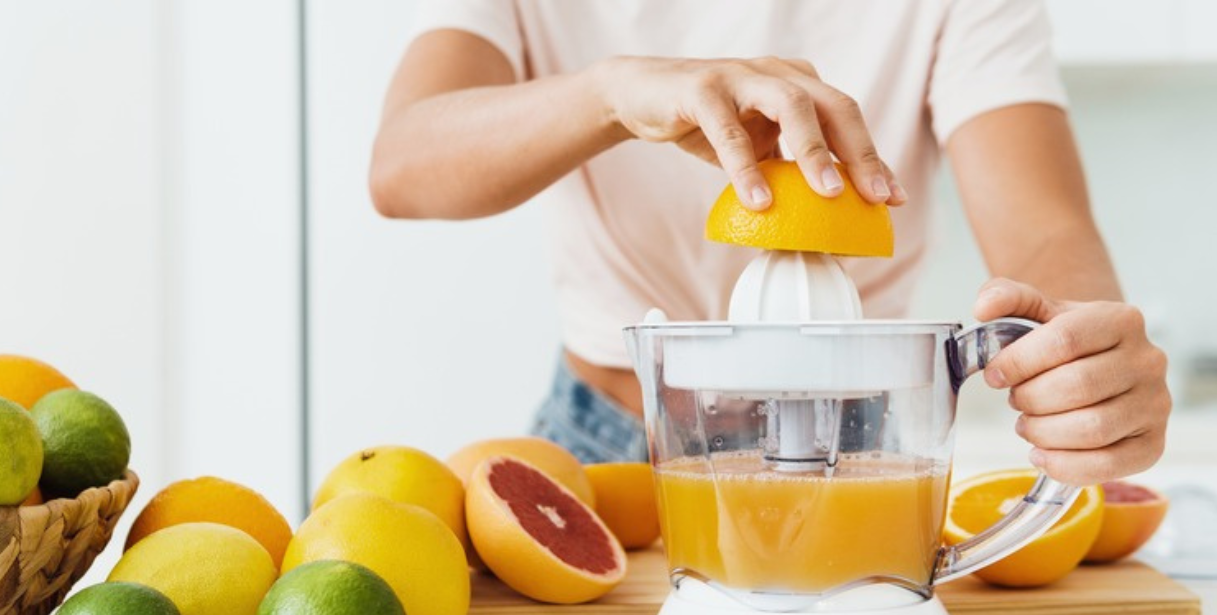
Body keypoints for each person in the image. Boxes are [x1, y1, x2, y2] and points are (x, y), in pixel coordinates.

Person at [369, 0, 1170, 484]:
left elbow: (1044, 228)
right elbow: (404, 164)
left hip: (858, 450)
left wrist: (1083, 356)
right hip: (601, 445)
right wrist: (610, 94)